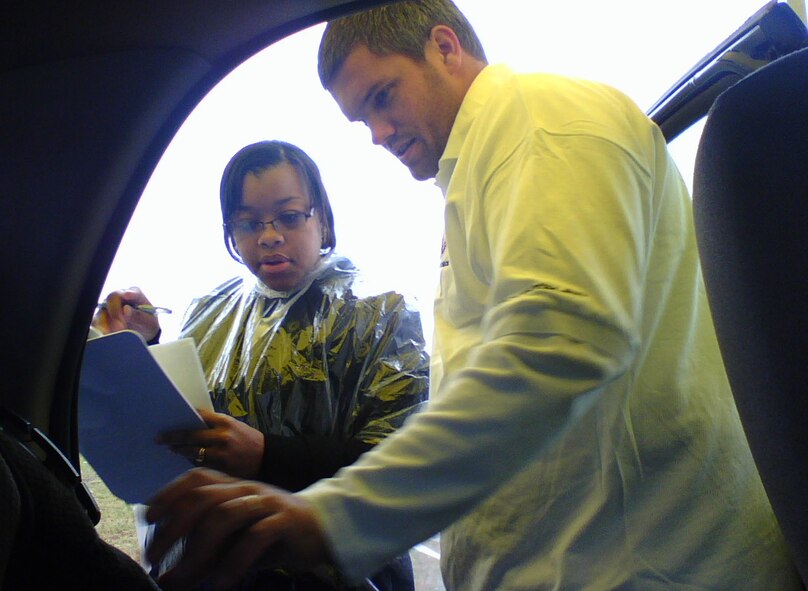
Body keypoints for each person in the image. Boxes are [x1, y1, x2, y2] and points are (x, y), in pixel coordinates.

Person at [144, 2, 802, 590]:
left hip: (638, 566)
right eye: (361, 118)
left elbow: (559, 341)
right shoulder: (479, 173)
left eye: (382, 96)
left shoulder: (542, 123)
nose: (377, 133)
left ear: (444, 47)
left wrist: (334, 515)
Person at [94, 140, 430, 591]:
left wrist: (265, 456)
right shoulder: (211, 312)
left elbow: (402, 465)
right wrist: (144, 345)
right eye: (249, 223)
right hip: (221, 569)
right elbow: (183, 412)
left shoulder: (382, 314)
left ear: (322, 219)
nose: (269, 236)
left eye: (289, 216)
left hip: (342, 572)